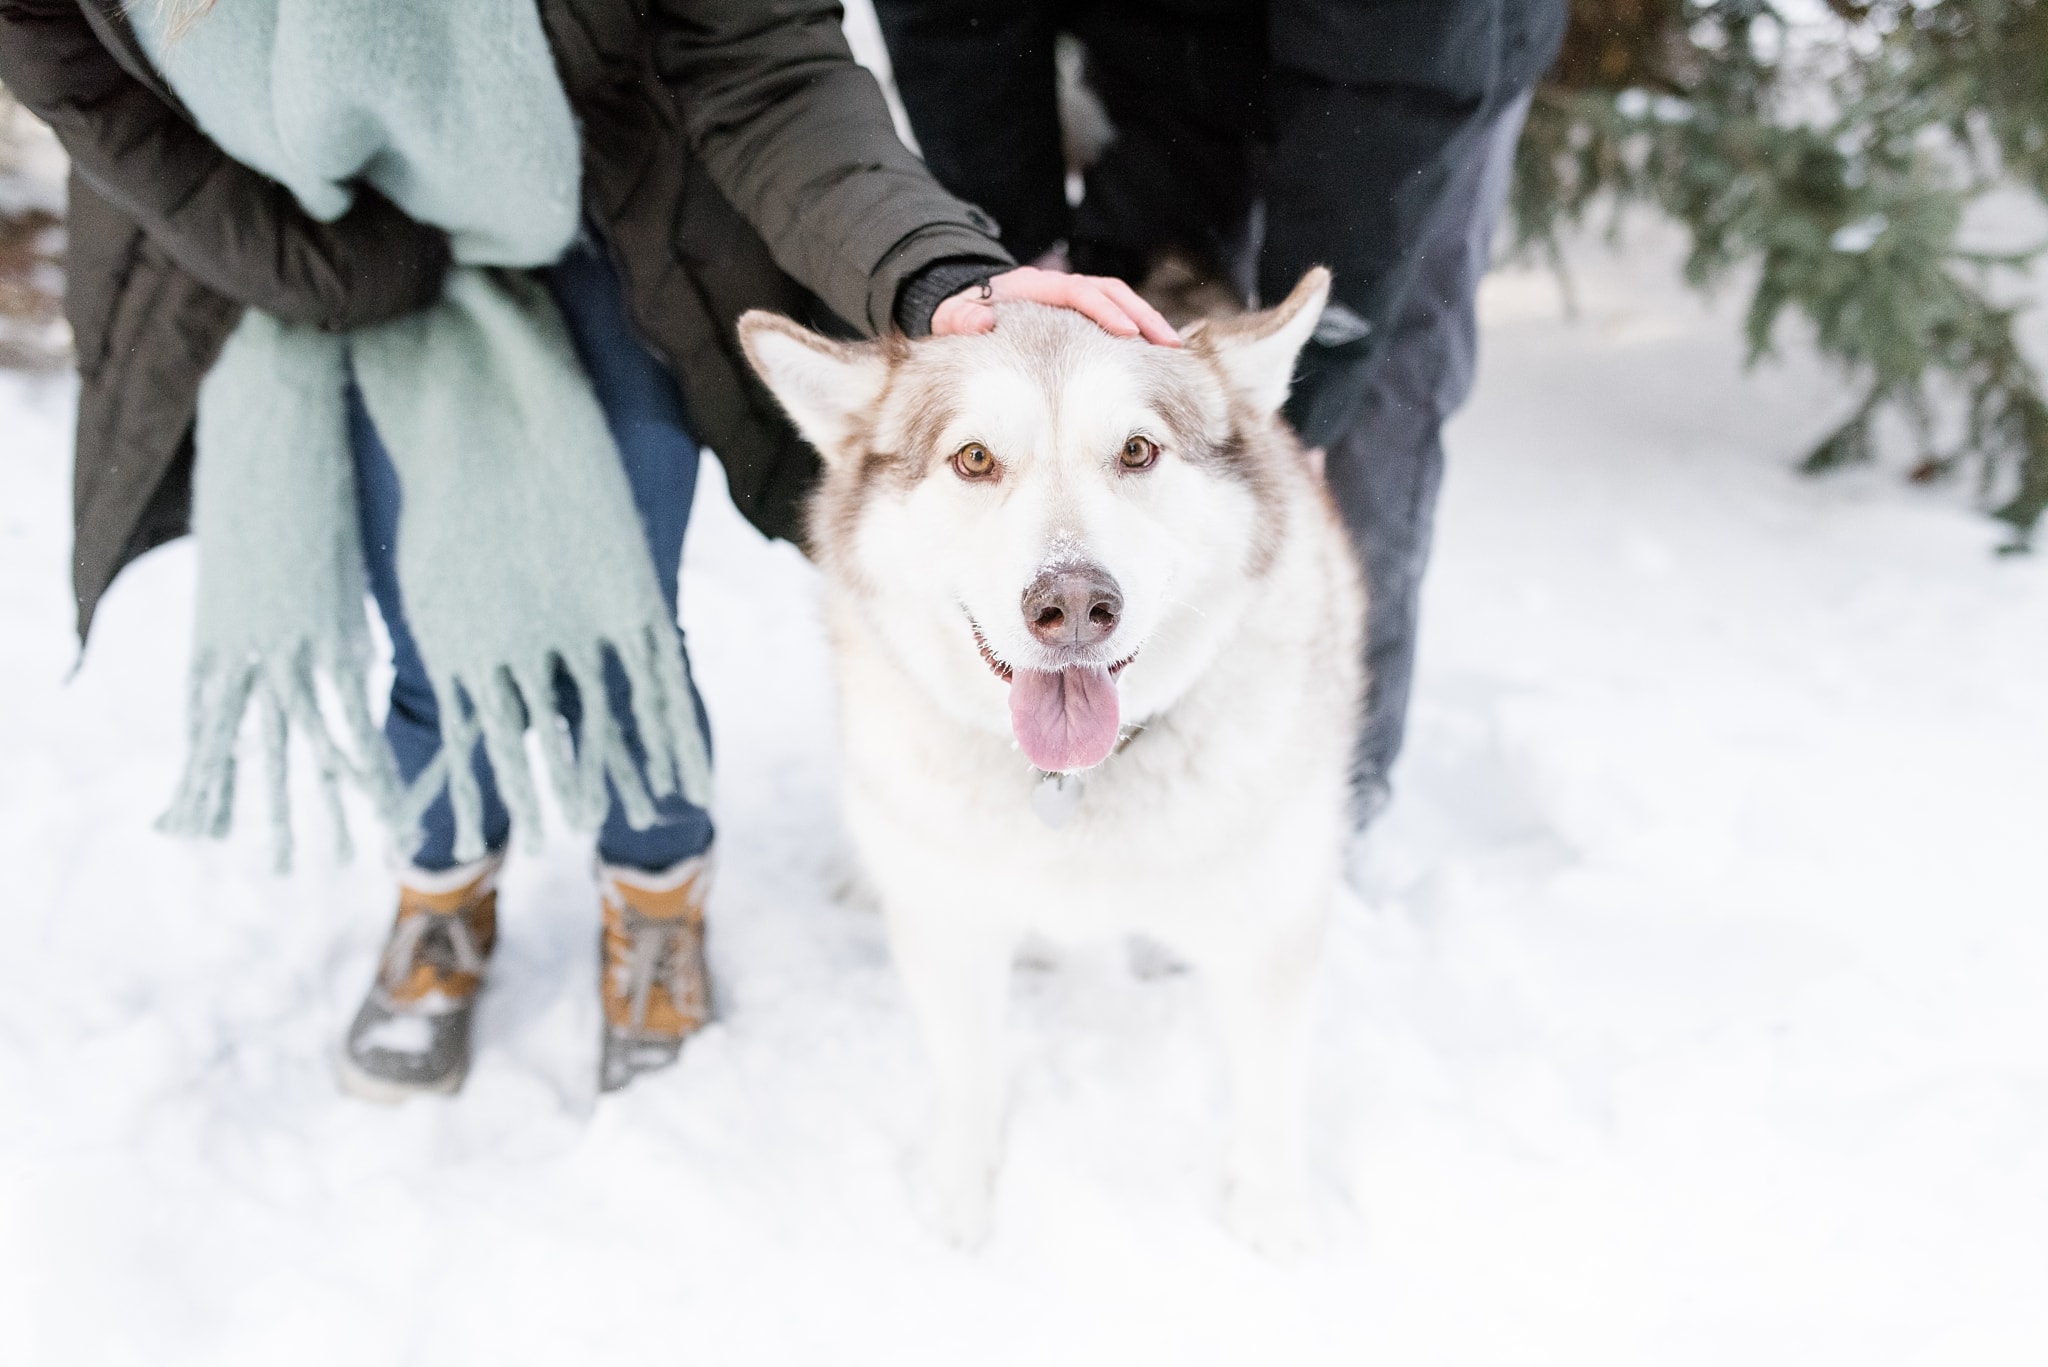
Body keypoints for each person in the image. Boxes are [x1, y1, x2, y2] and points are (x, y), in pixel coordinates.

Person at [0, 0, 1174, 1100]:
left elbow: (763, 64)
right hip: (322, 224)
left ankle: (654, 883)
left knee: (624, 616)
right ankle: (443, 880)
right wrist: (297, 258)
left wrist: (932, 269)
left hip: (605, 194)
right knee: (429, 625)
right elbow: (68, 54)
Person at [876, 0, 1566, 852]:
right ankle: (1086, 789)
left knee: (1360, 424)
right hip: (1163, 51)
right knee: (1111, 378)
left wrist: (1307, 407)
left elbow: (1394, 63)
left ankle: (1319, 806)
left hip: (1406, 85)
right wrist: (1017, 247)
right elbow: (950, 17)